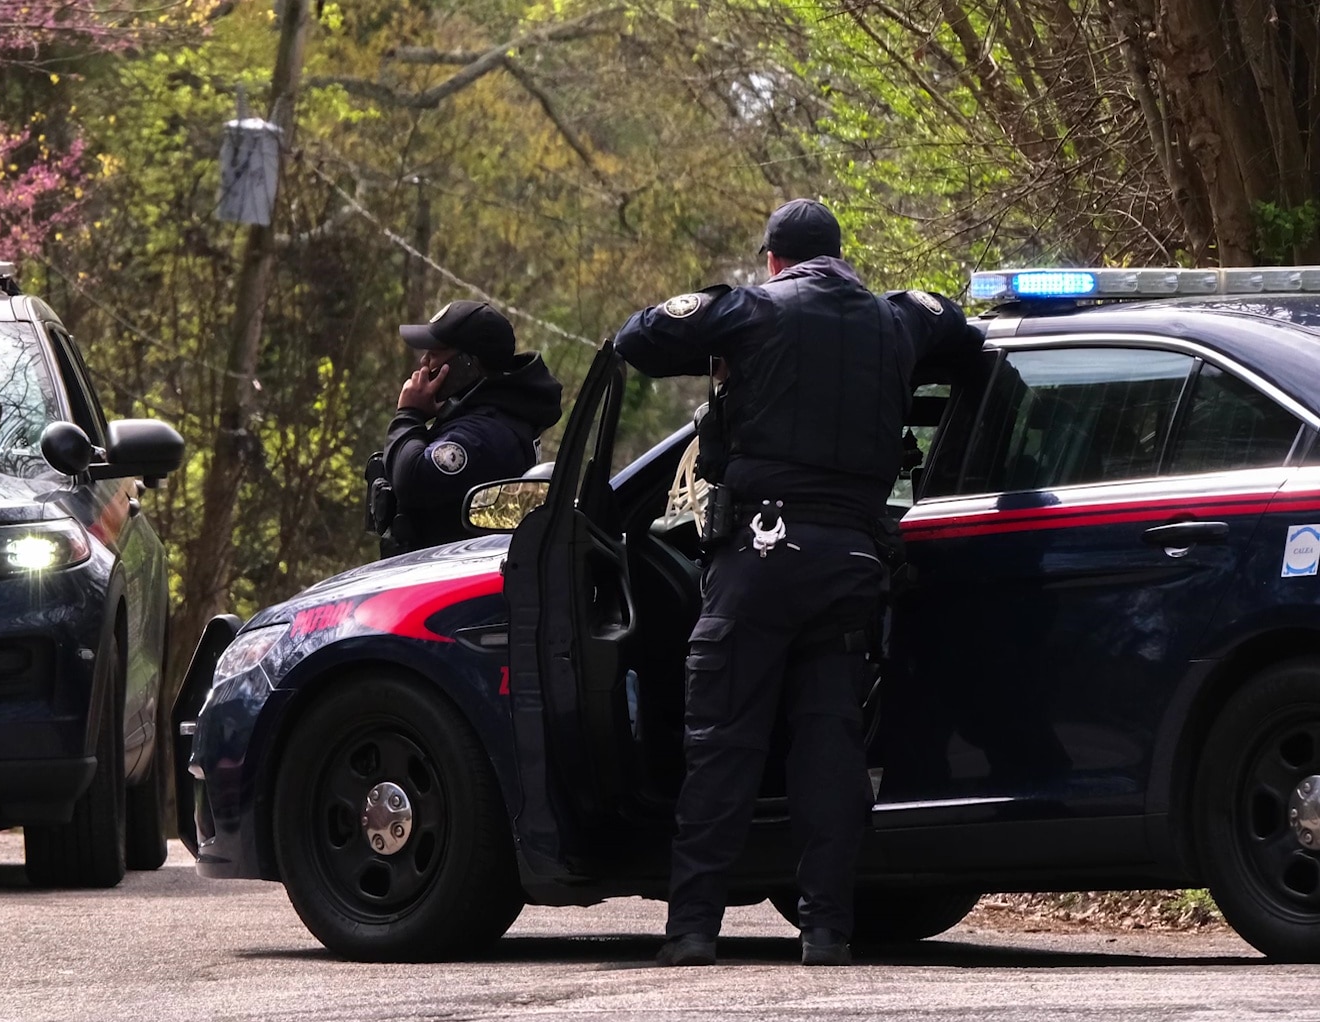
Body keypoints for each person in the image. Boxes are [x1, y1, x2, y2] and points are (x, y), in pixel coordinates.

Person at [612, 199, 984, 967]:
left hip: (760, 558)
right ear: (841, 255)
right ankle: (825, 930)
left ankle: (692, 930)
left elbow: (638, 340)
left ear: (775, 260)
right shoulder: (894, 321)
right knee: (829, 750)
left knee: (722, 743)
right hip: (851, 563)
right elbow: (962, 331)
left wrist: (719, 320)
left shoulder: (752, 311)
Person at [366, 300, 563, 555]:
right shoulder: (486, 414)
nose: (424, 364)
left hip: (449, 581)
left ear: (467, 365)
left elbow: (413, 479)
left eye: (434, 354)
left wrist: (409, 413)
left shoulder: (485, 433)